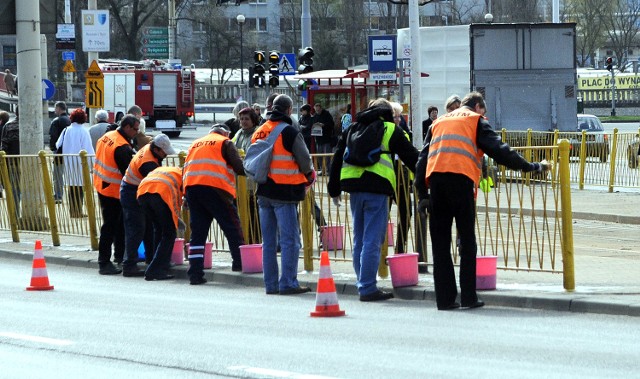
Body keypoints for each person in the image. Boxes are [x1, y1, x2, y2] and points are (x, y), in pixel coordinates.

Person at [415, 91, 550, 310]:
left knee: (440, 244)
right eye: (483, 111)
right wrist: (531, 167)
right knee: (467, 241)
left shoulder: (437, 123)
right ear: (477, 106)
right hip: (461, 182)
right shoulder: (475, 120)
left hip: (437, 184)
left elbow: (423, 159)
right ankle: (468, 297)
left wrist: (422, 194)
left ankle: (445, 300)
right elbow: (500, 151)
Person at [327, 98, 419, 302]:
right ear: (387, 113)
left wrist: (333, 189)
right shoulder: (390, 129)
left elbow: (337, 157)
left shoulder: (352, 128)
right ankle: (368, 288)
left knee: (359, 238)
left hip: (353, 187)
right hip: (377, 189)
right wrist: (425, 182)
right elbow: (412, 158)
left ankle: (363, 282)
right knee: (372, 239)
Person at [251, 94, 315, 295]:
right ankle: (288, 282)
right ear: (289, 110)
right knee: (289, 240)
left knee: (269, 242)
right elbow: (305, 161)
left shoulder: (260, 131)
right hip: (284, 192)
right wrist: (309, 176)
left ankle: (271, 285)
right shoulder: (289, 131)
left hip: (263, 191)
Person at [184, 124, 246, 285]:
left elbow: (186, 168)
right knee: (232, 226)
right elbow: (239, 168)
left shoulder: (195, 143)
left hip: (192, 189)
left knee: (198, 234)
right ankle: (239, 263)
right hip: (215, 188)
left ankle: (195, 273)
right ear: (226, 133)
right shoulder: (224, 142)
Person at [120, 134, 176, 277]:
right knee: (136, 229)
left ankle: (152, 260)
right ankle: (129, 265)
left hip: (137, 189)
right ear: (157, 149)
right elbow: (155, 184)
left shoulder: (150, 150)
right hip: (132, 191)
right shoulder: (148, 163)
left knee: (149, 227)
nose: (165, 155)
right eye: (164, 152)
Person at [93, 115, 140, 275]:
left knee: (117, 225)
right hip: (113, 191)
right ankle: (104, 262)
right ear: (127, 127)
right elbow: (129, 172)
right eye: (135, 129)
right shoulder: (121, 147)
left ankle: (118, 256)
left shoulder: (108, 136)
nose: (137, 132)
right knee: (111, 226)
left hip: (102, 185)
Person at [137, 166, 184, 281]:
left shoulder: (170, 170)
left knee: (158, 229)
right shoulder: (185, 177)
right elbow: (177, 202)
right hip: (160, 193)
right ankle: (154, 269)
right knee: (169, 233)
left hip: (142, 193)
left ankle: (158, 262)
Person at [56, 108, 94, 217]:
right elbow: (88, 149)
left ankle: (72, 210)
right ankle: (78, 211)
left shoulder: (66, 130)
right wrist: (92, 164)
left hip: (68, 161)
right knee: (80, 187)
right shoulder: (84, 131)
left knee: (71, 187)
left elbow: (58, 144)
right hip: (81, 163)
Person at [232, 107, 261, 244]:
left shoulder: (257, 133)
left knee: (254, 216)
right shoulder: (239, 133)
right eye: (241, 119)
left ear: (253, 120)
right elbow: (231, 148)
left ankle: (255, 242)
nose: (243, 122)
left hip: (253, 183)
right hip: (240, 182)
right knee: (242, 215)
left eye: (247, 119)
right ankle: (246, 242)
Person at [390, 102, 414, 256]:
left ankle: (399, 249)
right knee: (381, 216)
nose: (398, 120)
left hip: (402, 179)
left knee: (406, 213)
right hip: (386, 178)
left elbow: (409, 157)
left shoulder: (402, 133)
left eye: (399, 116)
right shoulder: (382, 131)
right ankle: (381, 250)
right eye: (394, 116)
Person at [49, 101, 71, 203]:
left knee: (57, 175)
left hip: (59, 152)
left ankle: (58, 195)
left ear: (58, 108)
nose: (55, 110)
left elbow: (53, 137)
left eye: (55, 108)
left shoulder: (56, 121)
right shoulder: (70, 120)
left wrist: (53, 148)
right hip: (71, 152)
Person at [0, 108, 20, 217]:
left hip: (13, 163)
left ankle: (15, 215)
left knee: (15, 190)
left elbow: (4, 147)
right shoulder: (33, 125)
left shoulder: (8, 126)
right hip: (30, 163)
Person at [312, 103, 335, 173]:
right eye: (316, 110)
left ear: (321, 108)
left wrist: (324, 125)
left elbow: (332, 124)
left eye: (318, 110)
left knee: (327, 155)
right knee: (319, 156)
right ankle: (322, 170)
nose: (317, 111)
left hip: (326, 138)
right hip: (318, 139)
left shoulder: (327, 115)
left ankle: (329, 169)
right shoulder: (315, 116)